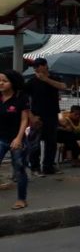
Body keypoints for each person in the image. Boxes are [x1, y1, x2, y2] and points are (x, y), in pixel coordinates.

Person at [25, 58, 68, 176]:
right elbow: (23, 98)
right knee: (35, 143)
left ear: (45, 66)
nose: (36, 68)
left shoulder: (54, 78)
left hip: (52, 114)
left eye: (38, 66)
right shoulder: (32, 82)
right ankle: (35, 167)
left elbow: (63, 86)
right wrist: (31, 116)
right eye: (35, 66)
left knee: (51, 142)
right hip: (37, 115)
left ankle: (48, 166)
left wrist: (46, 79)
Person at [0, 69, 30, 209]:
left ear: (12, 83)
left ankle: (21, 199)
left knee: (19, 169)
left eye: (4, 81)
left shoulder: (20, 98)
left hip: (17, 140)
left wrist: (18, 138)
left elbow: (25, 120)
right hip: (1, 139)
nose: (1, 83)